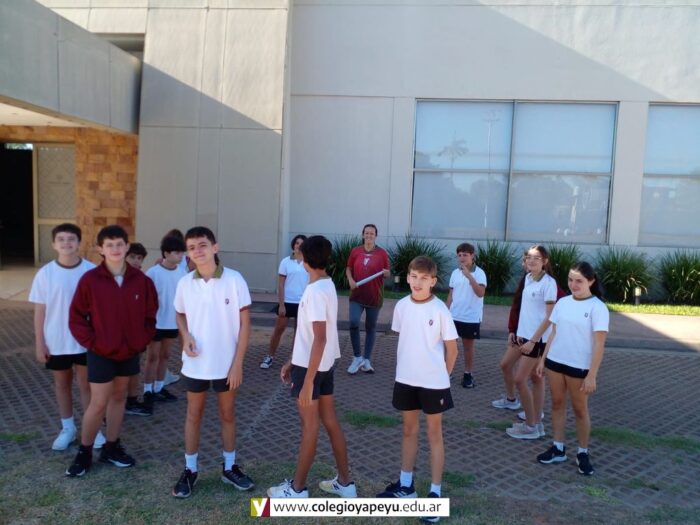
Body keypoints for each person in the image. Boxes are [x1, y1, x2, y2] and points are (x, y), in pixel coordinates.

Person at [267, 236, 356, 498]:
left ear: (305, 260)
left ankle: (297, 489)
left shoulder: (316, 291)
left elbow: (319, 338)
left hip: (311, 369)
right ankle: (345, 483)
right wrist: (292, 360)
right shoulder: (326, 284)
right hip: (321, 365)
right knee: (329, 421)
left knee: (310, 427)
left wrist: (307, 381)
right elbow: (311, 337)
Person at [66, 225, 158, 477]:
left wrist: (140, 341)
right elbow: (76, 317)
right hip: (101, 352)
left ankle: (111, 447)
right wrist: (94, 343)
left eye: (119, 244)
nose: (115, 249)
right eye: (109, 245)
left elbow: (150, 315)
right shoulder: (90, 280)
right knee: (98, 403)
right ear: (100, 249)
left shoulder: (142, 281)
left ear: (127, 247)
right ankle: (84, 453)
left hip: (129, 352)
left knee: (119, 398)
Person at [171, 226, 254, 498]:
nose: (198, 251)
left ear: (215, 247)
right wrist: (185, 336)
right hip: (195, 364)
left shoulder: (234, 279)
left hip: (227, 365)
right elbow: (180, 314)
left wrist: (238, 363)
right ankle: (190, 469)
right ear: (188, 253)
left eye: (203, 245)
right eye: (192, 247)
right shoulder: (185, 283)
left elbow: (245, 324)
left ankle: (229, 467)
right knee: (193, 415)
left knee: (227, 414)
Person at [377, 256, 458, 525]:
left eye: (424, 278)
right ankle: (406, 486)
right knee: (408, 430)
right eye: (413, 276)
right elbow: (407, 339)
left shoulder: (440, 310)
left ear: (433, 281)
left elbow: (452, 350)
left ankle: (435, 493)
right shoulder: (401, 306)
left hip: (434, 383)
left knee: (434, 434)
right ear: (408, 277)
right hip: (405, 379)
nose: (417, 282)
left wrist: (442, 378)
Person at [28, 223, 105, 451]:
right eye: (61, 239)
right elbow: (40, 311)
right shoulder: (45, 274)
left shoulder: (91, 271)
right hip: (56, 341)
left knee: (87, 385)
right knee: (62, 384)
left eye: (71, 239)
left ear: (79, 243)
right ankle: (68, 428)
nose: (66, 243)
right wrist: (40, 343)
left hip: (85, 341)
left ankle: (93, 429)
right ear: (54, 244)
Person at [535, 262, 608, 476]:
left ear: (591, 282)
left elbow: (599, 344)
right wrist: (542, 360)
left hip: (579, 367)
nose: (573, 285)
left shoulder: (598, 308)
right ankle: (558, 448)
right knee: (557, 404)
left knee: (579, 409)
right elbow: (553, 333)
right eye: (570, 280)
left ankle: (582, 452)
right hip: (555, 362)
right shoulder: (563, 303)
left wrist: (592, 374)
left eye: (579, 281)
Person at [497, 245, 557, 440]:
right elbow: (523, 309)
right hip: (522, 336)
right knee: (520, 371)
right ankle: (536, 420)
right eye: (529, 257)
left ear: (545, 261)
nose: (531, 260)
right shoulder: (529, 278)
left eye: (536, 258)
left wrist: (532, 340)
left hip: (536, 340)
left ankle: (531, 426)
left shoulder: (549, 283)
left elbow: (550, 317)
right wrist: (514, 331)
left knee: (520, 379)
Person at [143, 235, 188, 405]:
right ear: (166, 253)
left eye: (182, 252)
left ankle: (159, 387)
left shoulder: (182, 273)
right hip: (155, 323)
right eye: (177, 253)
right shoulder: (153, 273)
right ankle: (147, 390)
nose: (181, 256)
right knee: (152, 356)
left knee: (166, 355)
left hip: (172, 323)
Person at [345, 224, 390, 374]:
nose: (369, 235)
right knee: (353, 322)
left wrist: (386, 273)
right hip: (357, 295)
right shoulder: (355, 251)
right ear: (363, 234)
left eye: (372, 233)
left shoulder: (382, 253)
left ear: (376, 236)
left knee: (371, 327)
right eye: (367, 233)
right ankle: (357, 357)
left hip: (374, 297)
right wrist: (350, 280)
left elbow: (387, 273)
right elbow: (348, 268)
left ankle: (366, 359)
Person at [260, 235, 309, 369]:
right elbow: (281, 284)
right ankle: (269, 356)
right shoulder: (285, 262)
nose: (299, 245)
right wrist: (281, 305)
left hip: (303, 303)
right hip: (287, 302)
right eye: (297, 243)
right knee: (279, 329)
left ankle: (293, 360)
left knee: (298, 333)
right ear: (293, 245)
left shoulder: (309, 262)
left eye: (302, 243)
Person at [445, 243, 487, 389]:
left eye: (465, 255)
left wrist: (469, 276)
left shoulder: (479, 273)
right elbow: (451, 294)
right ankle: (447, 372)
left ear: (472, 256)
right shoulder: (455, 273)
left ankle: (468, 374)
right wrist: (445, 312)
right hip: (453, 316)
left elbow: (480, 293)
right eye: (460, 255)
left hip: (470, 317)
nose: (462, 258)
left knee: (468, 348)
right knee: (449, 346)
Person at [123, 242, 155, 417]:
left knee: (134, 369)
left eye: (139, 258)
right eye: (132, 257)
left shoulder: (143, 281)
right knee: (113, 377)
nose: (136, 261)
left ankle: (132, 401)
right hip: (113, 338)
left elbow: (149, 309)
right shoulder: (112, 278)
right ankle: (107, 409)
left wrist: (145, 334)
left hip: (136, 337)